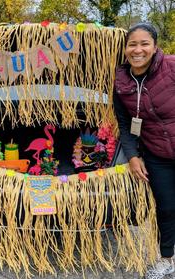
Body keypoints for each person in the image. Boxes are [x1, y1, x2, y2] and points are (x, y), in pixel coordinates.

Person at [113, 23, 175, 279]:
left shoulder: (172, 67)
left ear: (155, 46)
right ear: (126, 49)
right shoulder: (121, 80)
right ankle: (167, 259)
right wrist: (133, 156)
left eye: (144, 43)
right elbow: (124, 124)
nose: (137, 50)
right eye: (132, 44)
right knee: (166, 209)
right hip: (156, 155)